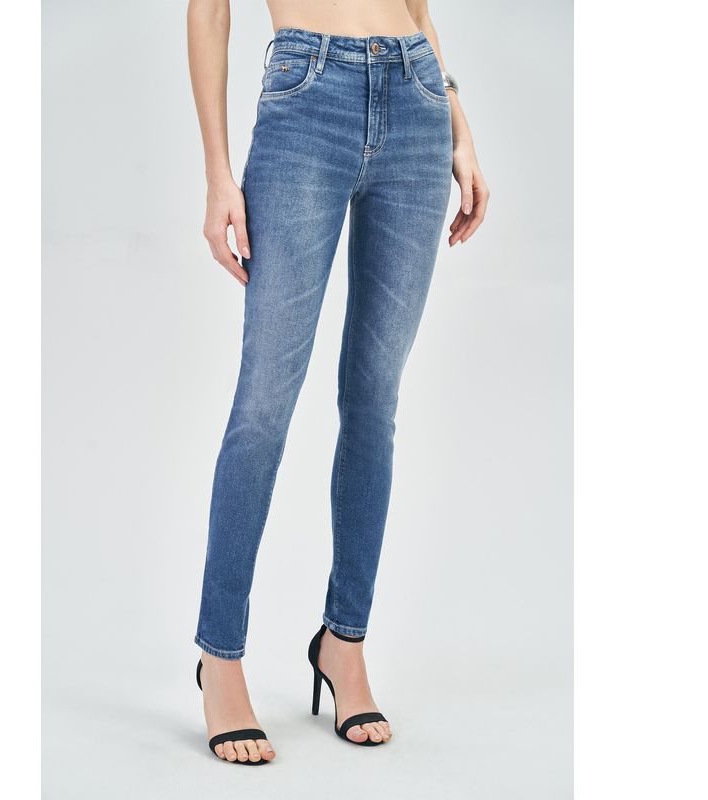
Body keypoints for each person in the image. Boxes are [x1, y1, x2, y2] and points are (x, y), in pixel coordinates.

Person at [187, 0, 489, 764]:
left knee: (374, 400)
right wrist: (218, 175)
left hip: (417, 98)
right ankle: (220, 657)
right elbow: (209, 10)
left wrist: (459, 122)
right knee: (263, 403)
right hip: (306, 98)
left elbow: (416, 7)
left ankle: (343, 642)